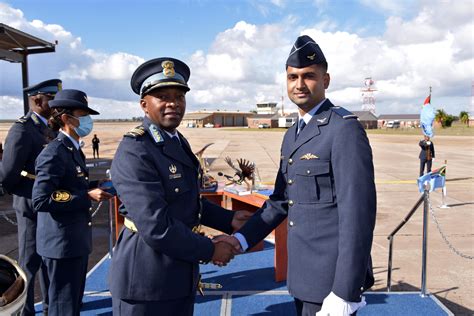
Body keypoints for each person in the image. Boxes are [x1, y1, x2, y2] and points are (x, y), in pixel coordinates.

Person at [216, 35, 377, 316]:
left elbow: (358, 217)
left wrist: (345, 291)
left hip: (332, 281)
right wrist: (240, 240)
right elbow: (280, 202)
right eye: (292, 77)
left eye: (308, 76)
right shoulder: (293, 134)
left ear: (326, 80)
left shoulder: (343, 130)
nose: (299, 84)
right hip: (303, 275)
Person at [109, 57, 250, 315]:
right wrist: (211, 250)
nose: (173, 103)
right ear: (144, 104)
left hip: (179, 274)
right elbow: (156, 225)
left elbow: (187, 202)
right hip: (146, 280)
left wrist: (230, 219)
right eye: (162, 96)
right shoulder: (135, 150)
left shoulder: (177, 142)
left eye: (179, 96)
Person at [32, 89, 113, 316]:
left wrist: (98, 184)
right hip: (61, 245)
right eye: (82, 115)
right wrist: (86, 196)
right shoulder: (54, 152)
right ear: (67, 119)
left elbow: (71, 183)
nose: (87, 121)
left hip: (73, 241)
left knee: (73, 304)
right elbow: (42, 198)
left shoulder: (72, 149)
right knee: (63, 307)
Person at [1, 79, 62, 316]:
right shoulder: (22, 129)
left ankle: (49, 307)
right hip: (29, 204)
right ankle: (24, 311)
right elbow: (9, 172)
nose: (56, 106)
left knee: (48, 259)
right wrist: (18, 194)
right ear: (38, 100)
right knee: (28, 262)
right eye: (52, 100)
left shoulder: (50, 127)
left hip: (47, 204)